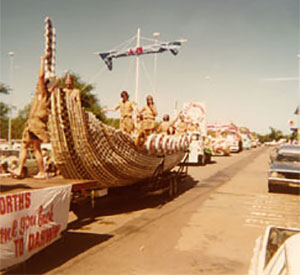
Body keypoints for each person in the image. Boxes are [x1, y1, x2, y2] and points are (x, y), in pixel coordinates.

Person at [10, 52, 60, 179]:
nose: (37, 86)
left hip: (35, 124)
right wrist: (56, 81)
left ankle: (37, 171)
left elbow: (41, 77)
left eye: (39, 85)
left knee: (30, 147)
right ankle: (24, 170)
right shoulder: (46, 95)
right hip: (34, 124)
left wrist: (42, 61)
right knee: (32, 147)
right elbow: (53, 83)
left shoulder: (43, 94)